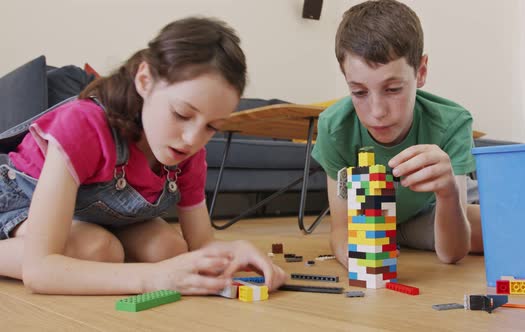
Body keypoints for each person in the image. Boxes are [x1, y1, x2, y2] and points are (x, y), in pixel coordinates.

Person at [0, 17, 287, 295]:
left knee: (169, 250)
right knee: (98, 250)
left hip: (93, 217)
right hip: (20, 203)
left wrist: (234, 251)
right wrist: (154, 278)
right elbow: (40, 271)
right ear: (145, 80)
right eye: (182, 114)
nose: (192, 139)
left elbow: (200, 245)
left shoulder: (189, 151)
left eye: (211, 126)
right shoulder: (84, 125)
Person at [311, 0, 483, 267]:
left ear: (421, 72)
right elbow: (341, 230)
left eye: (392, 89)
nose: (377, 112)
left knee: (499, 227)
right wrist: (360, 261)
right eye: (358, 92)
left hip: (429, 212)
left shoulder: (453, 123)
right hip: (375, 221)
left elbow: (452, 253)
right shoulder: (334, 127)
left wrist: (448, 192)